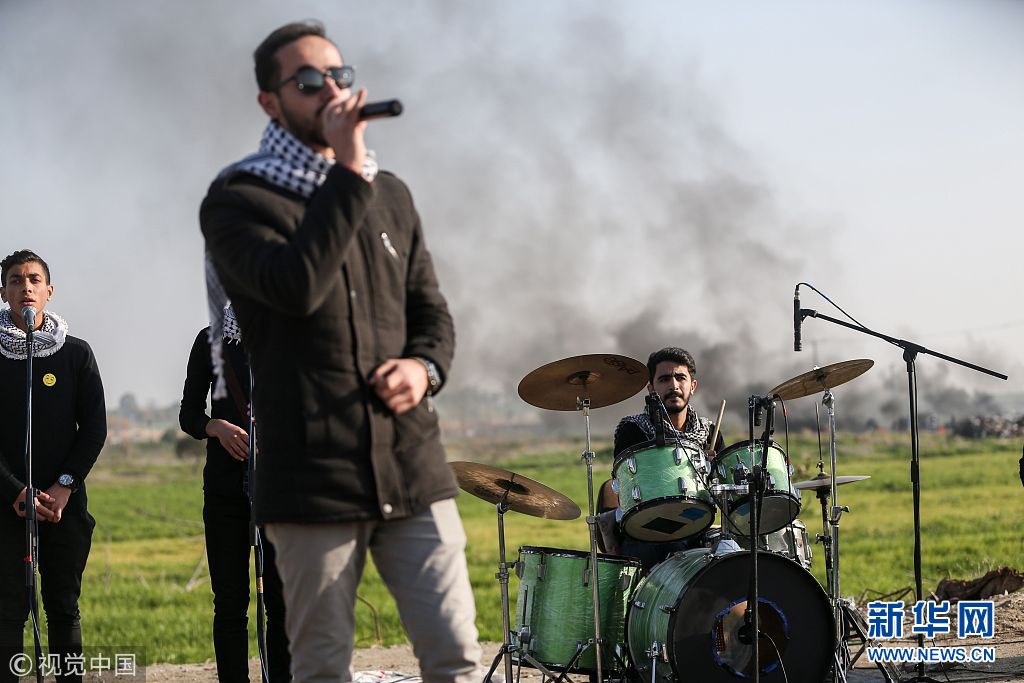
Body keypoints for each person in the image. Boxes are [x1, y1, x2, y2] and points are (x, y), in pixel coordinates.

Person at [200, 20, 480, 683]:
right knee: (322, 667)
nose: (329, 89)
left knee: (455, 655)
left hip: (410, 465)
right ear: (270, 102)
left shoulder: (392, 194)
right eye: (307, 80)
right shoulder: (239, 200)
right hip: (310, 477)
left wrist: (424, 368)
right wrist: (348, 171)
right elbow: (294, 288)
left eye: (338, 75)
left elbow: (431, 312)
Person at [0, 250, 106, 683]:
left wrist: (64, 486)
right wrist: (14, 490)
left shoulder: (76, 354)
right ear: (3, 292)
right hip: (7, 505)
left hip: (63, 506)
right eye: (15, 280)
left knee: (63, 607)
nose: (25, 287)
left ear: (49, 291)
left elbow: (94, 428)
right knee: (8, 611)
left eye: (34, 279)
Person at [178, 309, 290, 682]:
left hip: (280, 490)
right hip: (225, 490)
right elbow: (189, 414)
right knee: (229, 605)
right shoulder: (209, 340)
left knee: (281, 603)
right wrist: (216, 427)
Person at [598, 346, 725, 569]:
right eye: (664, 379)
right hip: (649, 530)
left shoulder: (709, 431)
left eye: (680, 378)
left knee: (734, 554)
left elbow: (725, 490)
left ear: (692, 385)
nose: (673, 385)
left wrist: (712, 469)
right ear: (651, 388)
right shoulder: (633, 429)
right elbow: (625, 488)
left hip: (698, 524)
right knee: (674, 555)